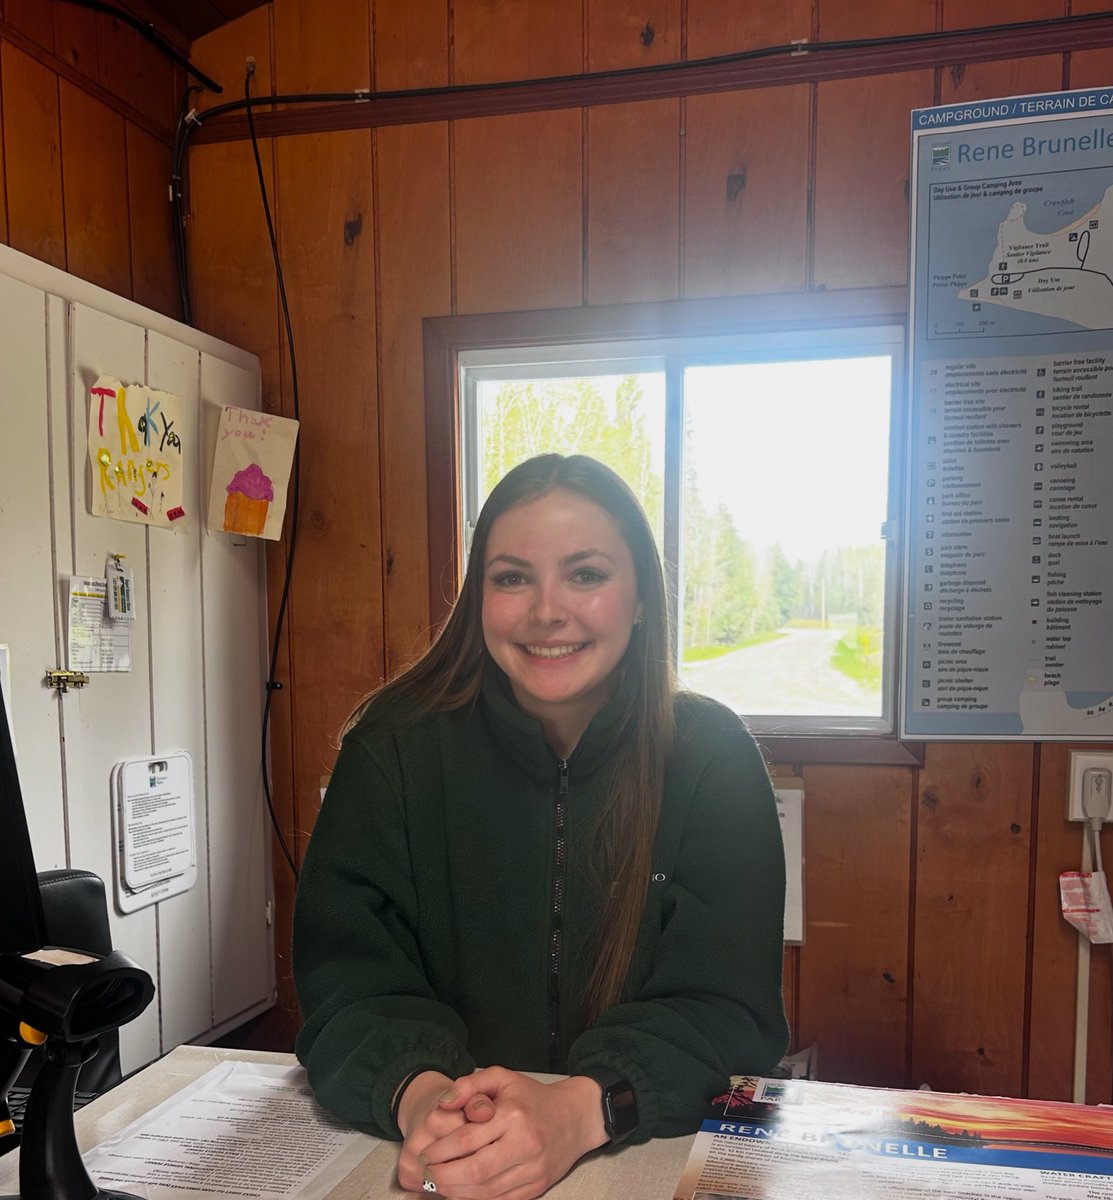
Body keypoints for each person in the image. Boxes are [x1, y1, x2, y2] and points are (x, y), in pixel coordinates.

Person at [293, 453, 788, 1199]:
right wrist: (427, 1099)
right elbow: (346, 984)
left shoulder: (712, 757)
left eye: (585, 574)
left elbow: (728, 1009)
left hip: (636, 1150)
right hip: (434, 1153)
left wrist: (577, 1110)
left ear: (641, 599)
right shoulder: (392, 748)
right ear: (477, 599)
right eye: (511, 577)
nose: (546, 609)